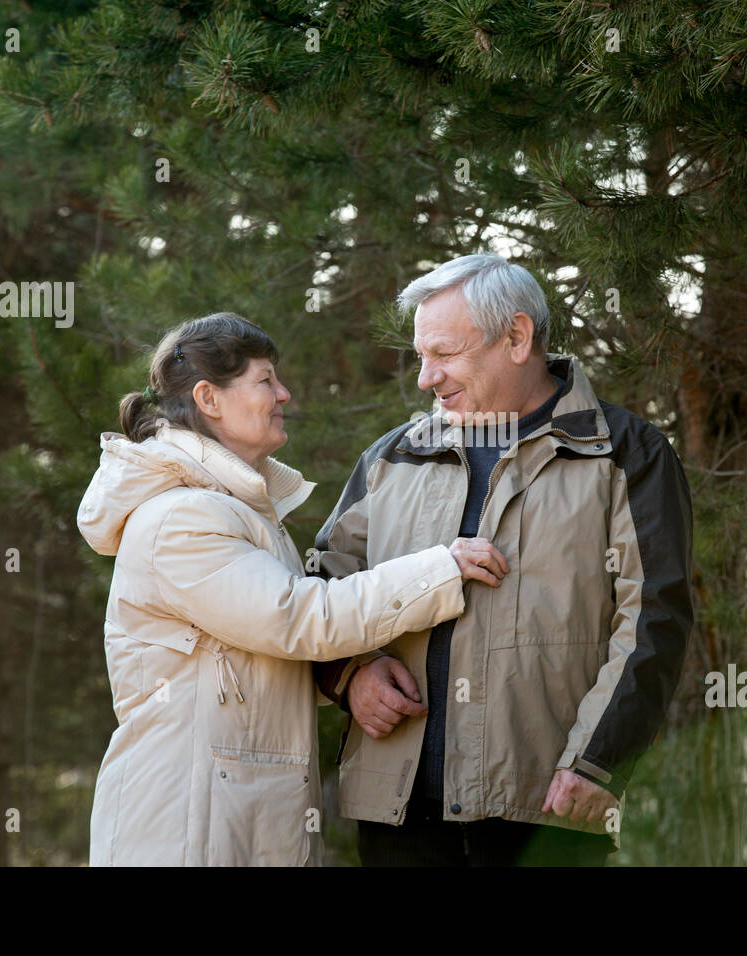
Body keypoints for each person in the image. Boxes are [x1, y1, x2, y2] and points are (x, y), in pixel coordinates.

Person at [76, 312, 508, 866]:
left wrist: (354, 672)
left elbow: (271, 655)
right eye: (264, 380)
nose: (284, 393)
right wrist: (439, 569)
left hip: (234, 822)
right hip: (187, 831)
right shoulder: (181, 519)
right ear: (209, 399)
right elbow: (300, 619)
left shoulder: (233, 512)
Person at [312, 255, 694, 866]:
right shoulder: (390, 459)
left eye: (444, 354)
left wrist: (597, 762)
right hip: (396, 817)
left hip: (547, 810)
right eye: (420, 356)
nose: (424, 378)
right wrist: (351, 673)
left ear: (516, 338)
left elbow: (654, 619)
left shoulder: (627, 454)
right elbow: (319, 589)